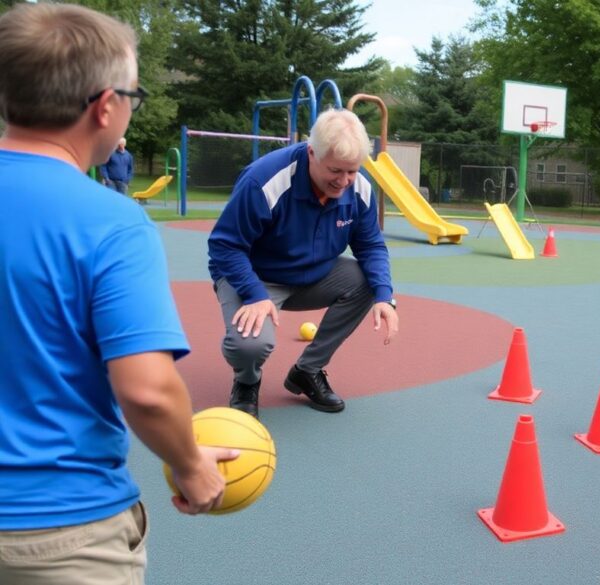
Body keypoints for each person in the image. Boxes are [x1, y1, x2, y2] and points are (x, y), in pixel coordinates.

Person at [0, 4, 235, 583]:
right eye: (135, 95)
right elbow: (148, 391)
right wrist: (191, 467)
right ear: (106, 107)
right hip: (59, 528)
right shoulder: (112, 224)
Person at [208, 108, 399, 418]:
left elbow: (371, 245)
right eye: (336, 171)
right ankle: (246, 381)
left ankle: (308, 370)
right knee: (250, 346)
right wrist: (255, 294)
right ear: (312, 153)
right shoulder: (264, 180)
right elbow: (224, 245)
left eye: (353, 171)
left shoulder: (358, 186)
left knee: (368, 282)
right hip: (255, 277)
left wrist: (384, 297)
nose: (345, 181)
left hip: (313, 276)